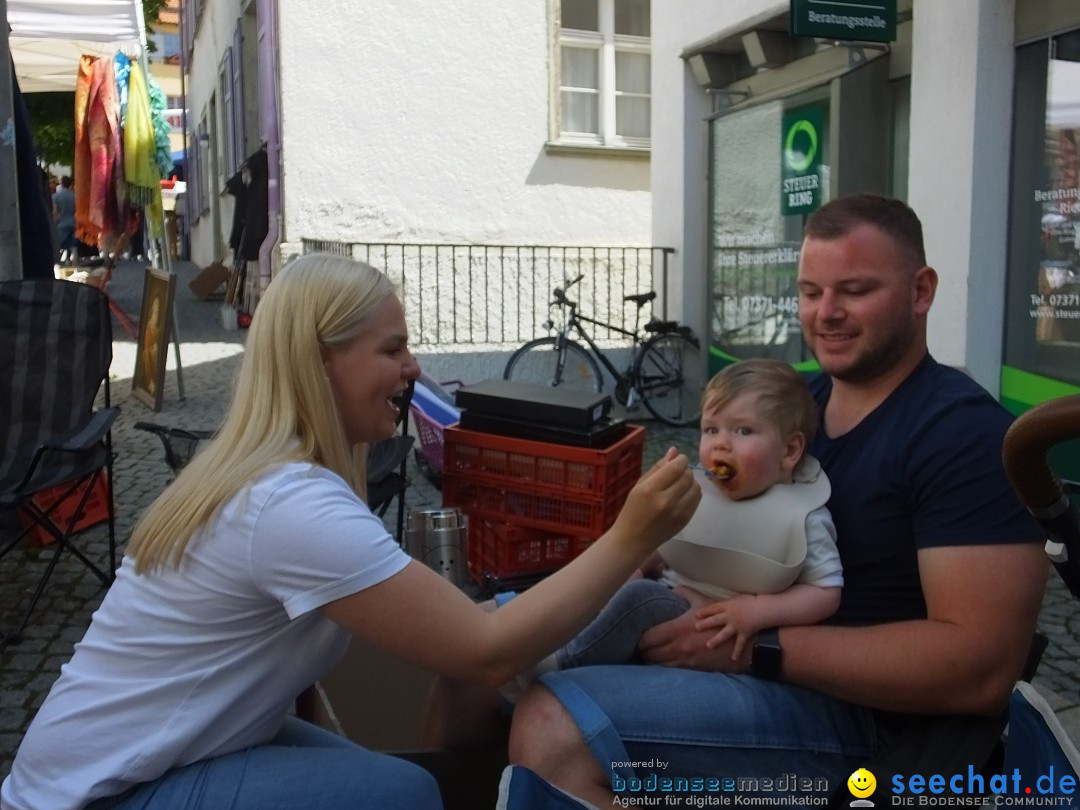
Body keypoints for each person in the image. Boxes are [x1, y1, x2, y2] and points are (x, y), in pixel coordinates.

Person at [0, 253, 701, 810]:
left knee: (374, 775)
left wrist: (596, 567)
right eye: (392, 349)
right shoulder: (290, 507)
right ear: (320, 362)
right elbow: (483, 652)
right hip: (99, 794)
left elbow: (438, 621)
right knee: (404, 793)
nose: (413, 368)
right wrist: (629, 537)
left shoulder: (265, 477)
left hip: (108, 766)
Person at [505, 194, 1048, 806]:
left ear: (921, 292)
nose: (827, 313)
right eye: (811, 291)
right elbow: (702, 509)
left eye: (855, 290)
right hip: (713, 629)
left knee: (552, 727)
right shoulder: (788, 404)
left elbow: (978, 668)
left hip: (866, 724)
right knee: (482, 659)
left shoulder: (962, 435)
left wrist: (751, 649)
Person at [508, 358, 841, 693]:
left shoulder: (805, 516)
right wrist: (629, 569)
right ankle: (543, 642)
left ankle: (554, 667)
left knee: (638, 598)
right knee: (617, 584)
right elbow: (661, 545)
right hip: (669, 594)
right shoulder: (696, 492)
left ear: (790, 450)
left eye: (743, 430)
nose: (720, 444)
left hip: (703, 625)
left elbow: (826, 592)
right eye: (711, 429)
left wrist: (757, 611)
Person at [52, 176, 77, 265]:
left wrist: (54, 222)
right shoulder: (74, 196)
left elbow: (55, 211)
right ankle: (73, 261)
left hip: (61, 223)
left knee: (60, 243)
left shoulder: (56, 196)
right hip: (73, 222)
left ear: (61, 184)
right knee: (73, 244)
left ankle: (58, 262)